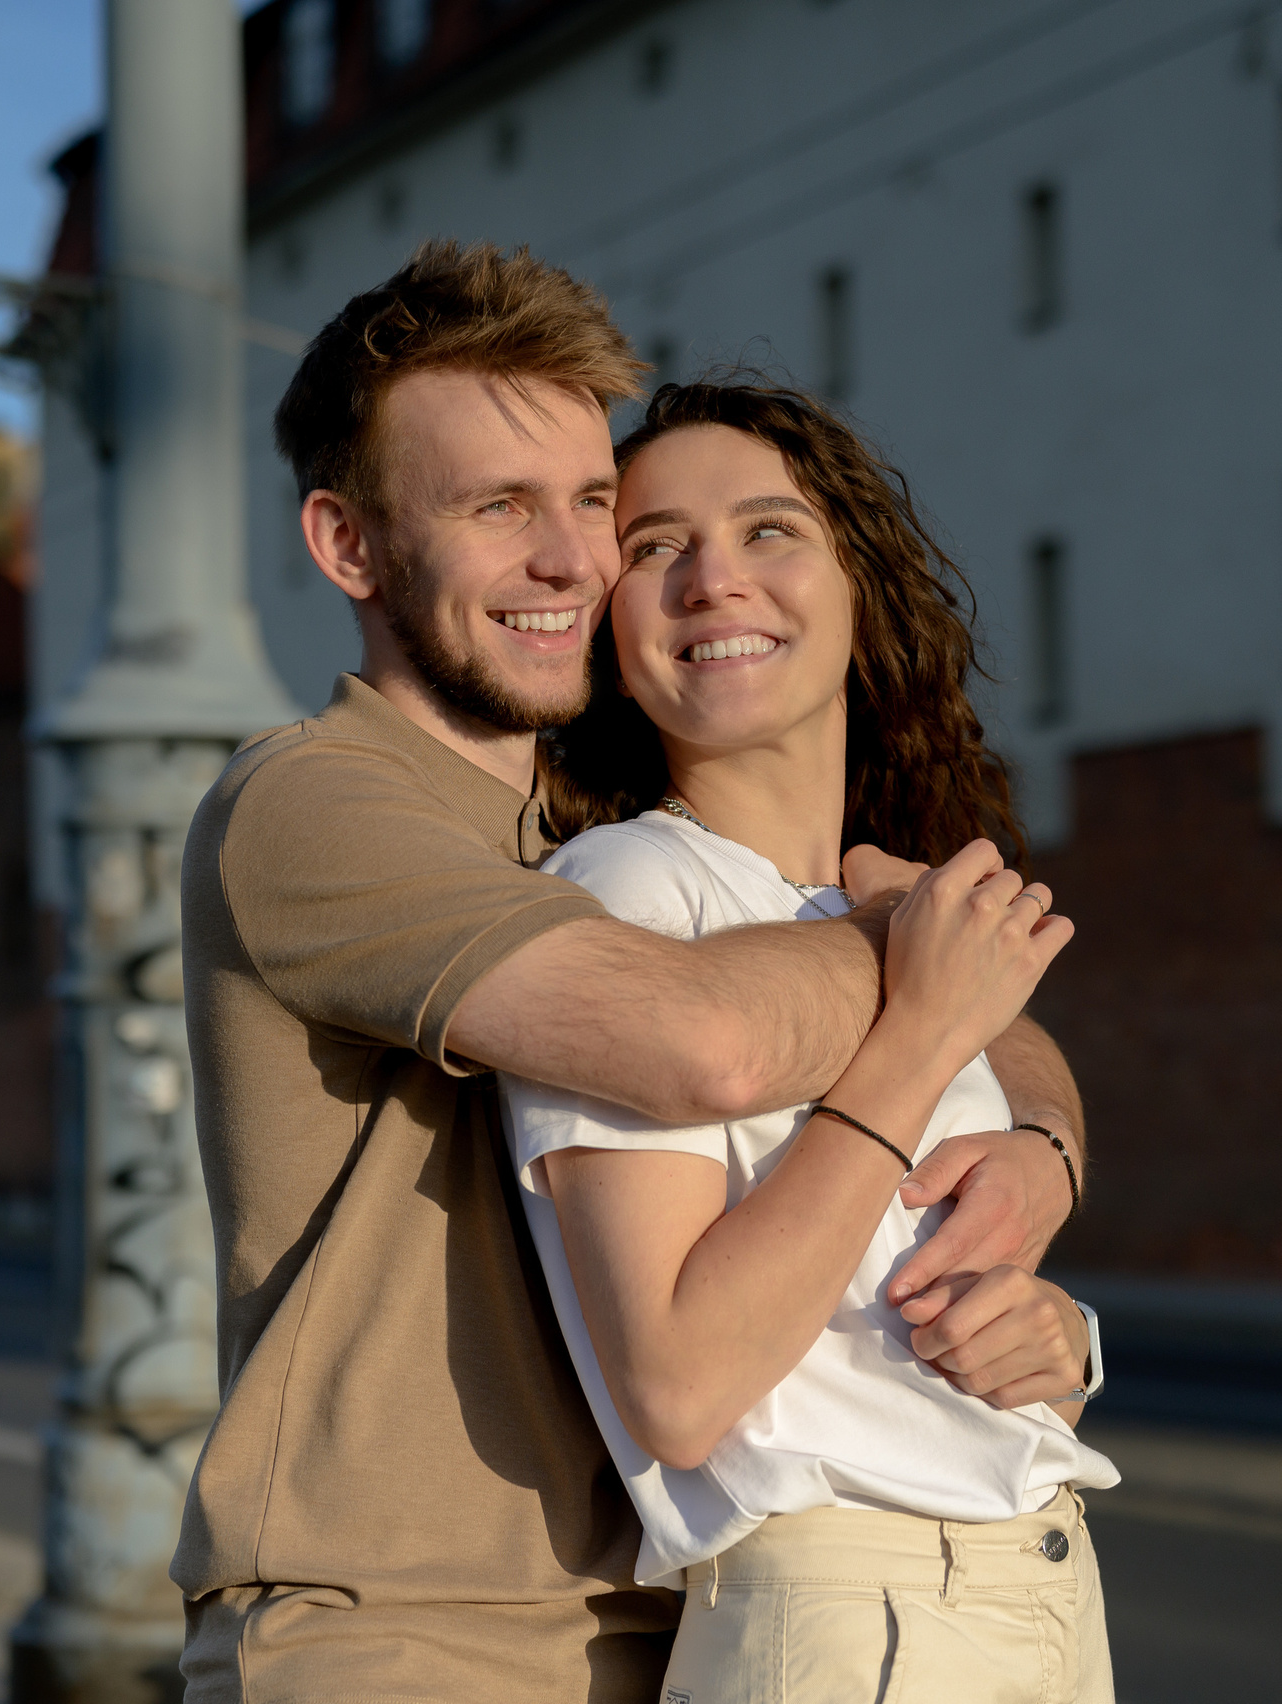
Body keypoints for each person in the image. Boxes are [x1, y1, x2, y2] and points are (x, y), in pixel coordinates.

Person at [172, 241, 1094, 1703]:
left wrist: (1040, 1143)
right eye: (498, 507)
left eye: (593, 503)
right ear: (349, 546)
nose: (571, 560)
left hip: (649, 1630)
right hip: (397, 1640)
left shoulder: (588, 835)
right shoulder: (314, 805)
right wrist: (922, 949)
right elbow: (704, 1045)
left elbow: (982, 1027)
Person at [506, 378, 1119, 1701]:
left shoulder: (870, 904)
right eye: (656, 547)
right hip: (854, 1623)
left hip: (1026, 1591)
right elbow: (680, 1386)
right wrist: (921, 1036)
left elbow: (890, 1322)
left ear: (858, 589)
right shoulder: (628, 889)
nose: (714, 578)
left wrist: (1061, 1340)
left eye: (768, 530)